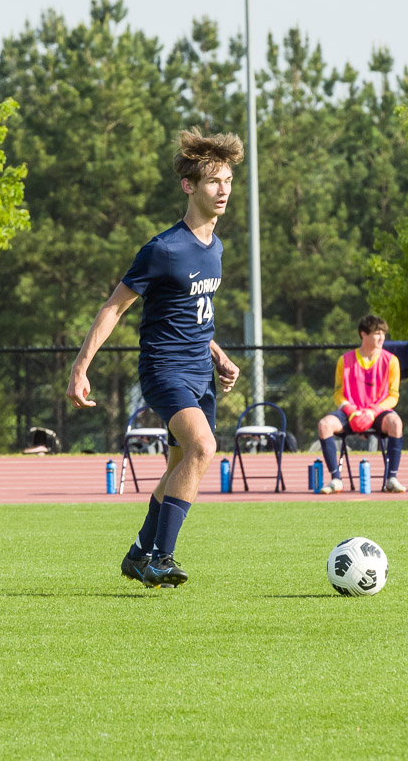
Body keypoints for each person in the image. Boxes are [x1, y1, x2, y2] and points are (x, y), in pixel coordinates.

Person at [66, 127, 243, 589]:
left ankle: (138, 553)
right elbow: (114, 307)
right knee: (204, 449)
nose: (223, 190)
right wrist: (80, 367)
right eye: (212, 182)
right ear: (189, 186)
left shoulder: (216, 249)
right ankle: (161, 558)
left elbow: (193, 316)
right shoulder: (163, 248)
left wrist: (219, 355)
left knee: (178, 466)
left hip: (200, 373)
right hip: (165, 372)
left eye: (227, 180)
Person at [315, 315, 408, 494]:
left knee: (396, 423)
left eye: (383, 334)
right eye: (377, 333)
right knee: (324, 425)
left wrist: (372, 412)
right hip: (351, 413)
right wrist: (351, 411)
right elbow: (338, 394)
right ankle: (336, 479)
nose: (382, 338)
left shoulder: (392, 361)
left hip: (377, 413)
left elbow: (393, 396)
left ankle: (392, 478)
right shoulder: (345, 360)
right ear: (363, 335)